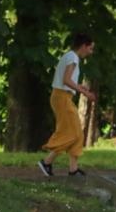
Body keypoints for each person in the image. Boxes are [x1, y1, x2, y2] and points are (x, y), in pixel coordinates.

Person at [38, 32, 96, 178]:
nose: (91, 52)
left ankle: (73, 169)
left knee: (77, 133)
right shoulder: (73, 58)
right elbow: (66, 80)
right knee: (70, 133)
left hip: (63, 97)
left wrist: (82, 88)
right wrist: (85, 94)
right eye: (90, 48)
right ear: (84, 46)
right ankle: (47, 162)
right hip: (61, 98)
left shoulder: (69, 56)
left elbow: (67, 81)